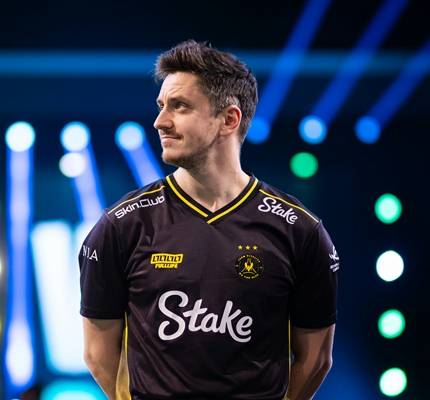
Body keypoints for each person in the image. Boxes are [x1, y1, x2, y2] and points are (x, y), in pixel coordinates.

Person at [79, 40, 338, 400]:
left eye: (180, 106)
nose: (160, 122)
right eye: (161, 106)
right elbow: (98, 355)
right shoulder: (120, 226)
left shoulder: (300, 231)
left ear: (228, 120)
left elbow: (316, 359)